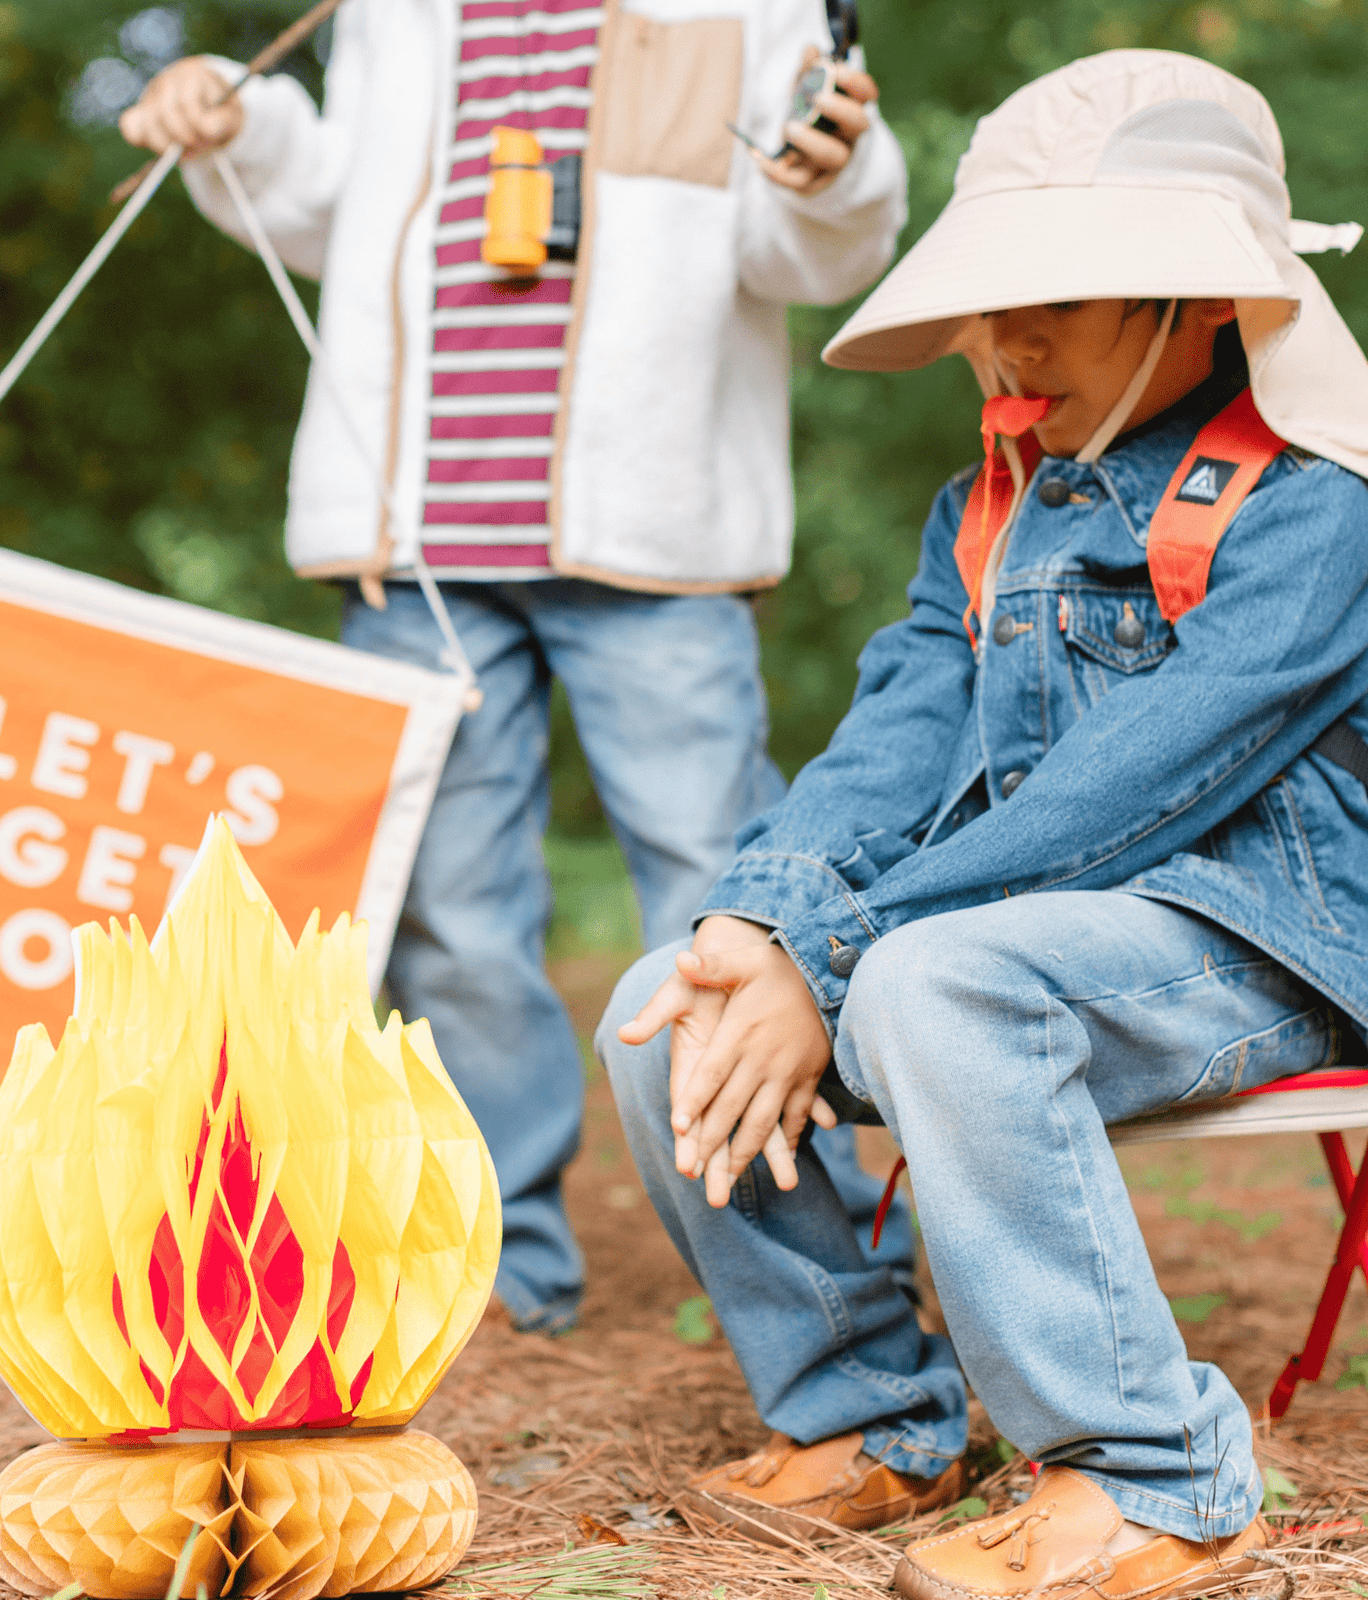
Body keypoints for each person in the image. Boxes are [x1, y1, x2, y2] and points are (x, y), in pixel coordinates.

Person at [598, 48, 1368, 1600]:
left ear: (1197, 298)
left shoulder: (1314, 500)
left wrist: (846, 949)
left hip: (1268, 940)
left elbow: (1145, 777)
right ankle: (873, 1416)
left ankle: (1155, 1480)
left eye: (1058, 298)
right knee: (659, 1001)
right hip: (1039, 930)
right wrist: (760, 925)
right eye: (990, 302)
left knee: (928, 982)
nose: (1004, 340)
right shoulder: (991, 504)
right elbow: (891, 743)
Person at [119, 2, 911, 1333]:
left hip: (660, 547)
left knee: (727, 908)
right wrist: (236, 124)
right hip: (411, 548)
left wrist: (842, 173)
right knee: (452, 922)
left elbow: (807, 252)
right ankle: (492, 1264)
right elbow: (323, 212)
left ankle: (806, 1267)